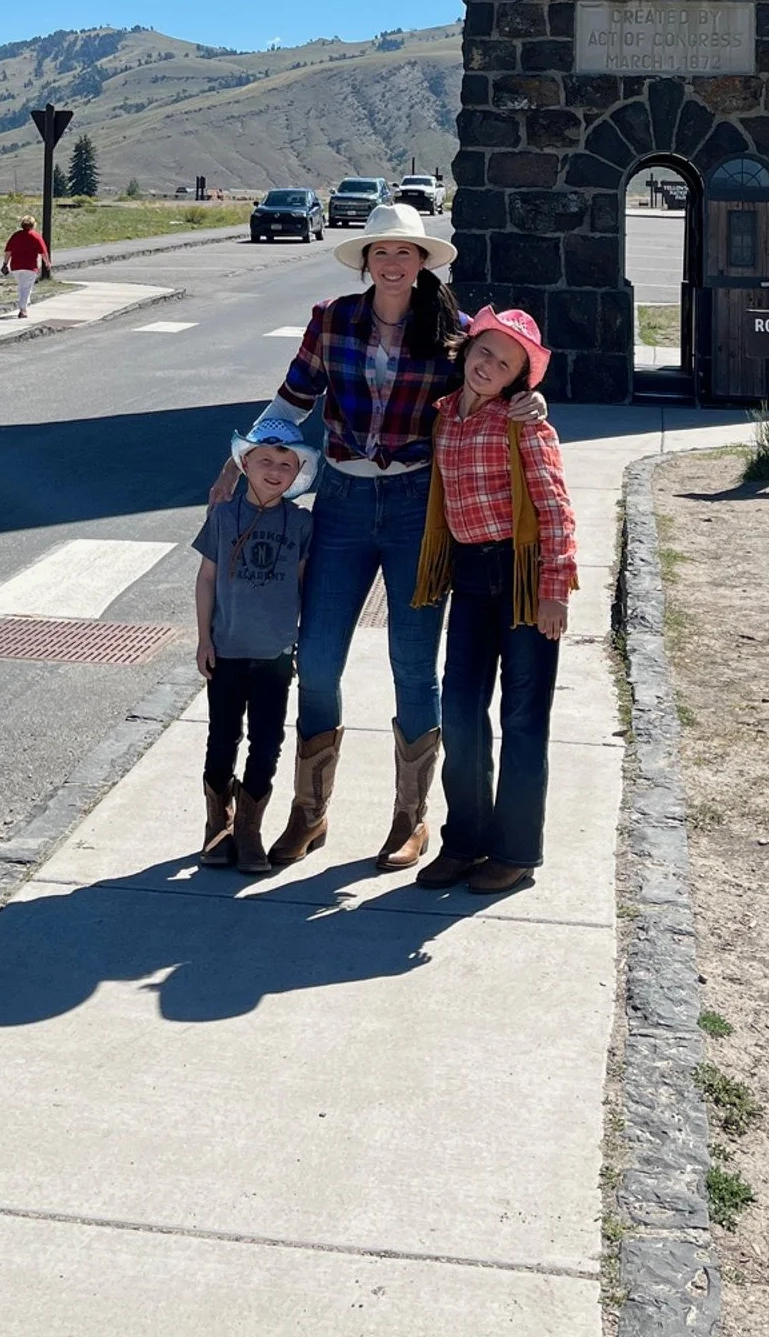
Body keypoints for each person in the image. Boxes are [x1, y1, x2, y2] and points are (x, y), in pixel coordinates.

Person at [213, 200, 545, 874]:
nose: (393, 263)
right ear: (366, 261)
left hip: (418, 507)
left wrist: (530, 401)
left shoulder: (451, 330)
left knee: (412, 661)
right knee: (322, 656)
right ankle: (311, 811)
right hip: (340, 499)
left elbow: (492, 379)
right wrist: (244, 450)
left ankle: (409, 819)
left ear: (423, 262)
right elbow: (293, 399)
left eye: (406, 252)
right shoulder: (332, 320)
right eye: (382, 252)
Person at [413, 305, 577, 897]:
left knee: (523, 720)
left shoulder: (524, 423)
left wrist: (555, 592)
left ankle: (514, 853)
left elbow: (555, 508)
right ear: (467, 348)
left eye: (506, 364)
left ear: (519, 379)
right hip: (471, 578)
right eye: (484, 351)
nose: (489, 366)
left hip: (524, 576)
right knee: (459, 713)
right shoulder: (444, 417)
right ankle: (465, 840)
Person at [192, 417, 316, 875]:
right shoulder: (223, 517)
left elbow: (304, 586)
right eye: (265, 460)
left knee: (267, 741)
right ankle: (217, 823)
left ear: (297, 472)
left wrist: (301, 641)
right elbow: (206, 579)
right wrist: (204, 638)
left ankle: (249, 828)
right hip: (226, 650)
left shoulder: (301, 523)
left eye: (286, 464)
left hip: (276, 656)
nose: (275, 471)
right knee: (222, 738)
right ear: (245, 464)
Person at [1, 214, 51, 317]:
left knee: (21, 287)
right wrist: (47, 262)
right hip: (30, 266)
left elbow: (8, 251)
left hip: (16, 266)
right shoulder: (36, 236)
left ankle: (24, 305)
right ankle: (23, 310)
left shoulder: (16, 235)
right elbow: (43, 252)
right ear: (33, 225)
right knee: (26, 287)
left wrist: (5, 263)